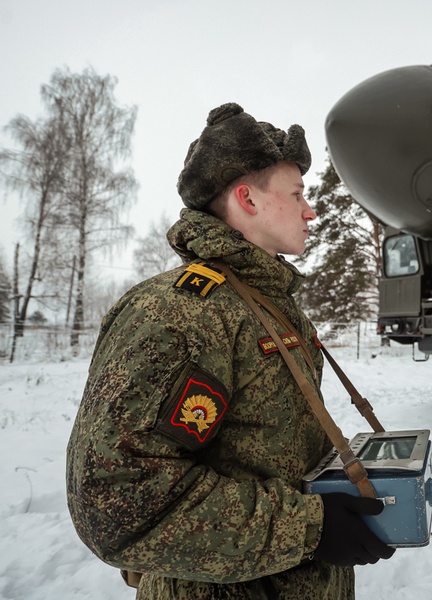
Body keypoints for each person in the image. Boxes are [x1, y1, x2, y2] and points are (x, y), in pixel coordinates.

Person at [66, 103, 394, 599]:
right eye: (298, 194)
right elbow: (117, 500)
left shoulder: (266, 304)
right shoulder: (180, 311)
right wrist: (310, 528)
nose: (312, 210)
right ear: (248, 199)